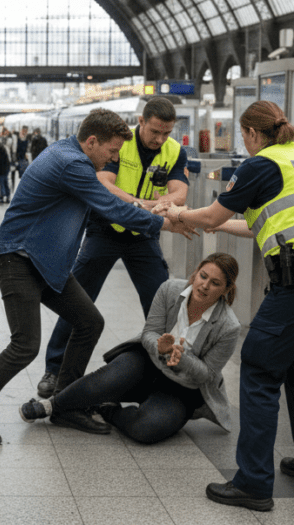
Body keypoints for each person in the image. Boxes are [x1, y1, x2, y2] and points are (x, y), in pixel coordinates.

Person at [156, 100, 294, 512]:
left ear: (251, 133)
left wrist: (178, 213)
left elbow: (211, 217)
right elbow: (256, 224)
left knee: (260, 369)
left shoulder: (260, 164)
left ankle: (252, 483)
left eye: (243, 135)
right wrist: (202, 221)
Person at [0, 109, 196, 445]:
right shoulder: (72, 163)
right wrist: (166, 223)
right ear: (92, 141)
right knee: (25, 345)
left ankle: (65, 405)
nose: (115, 158)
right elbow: (111, 207)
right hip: (18, 261)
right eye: (112, 151)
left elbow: (111, 204)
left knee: (89, 322)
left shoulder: (71, 155)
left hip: (45, 263)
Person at [38, 96, 189, 398]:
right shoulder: (120, 144)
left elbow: (180, 192)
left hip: (143, 236)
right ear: (141, 122)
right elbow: (104, 184)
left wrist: (154, 206)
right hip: (105, 230)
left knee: (161, 301)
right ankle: (54, 370)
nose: (160, 139)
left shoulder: (174, 151)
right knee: (78, 298)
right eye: (155, 131)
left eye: (166, 133)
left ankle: (166, 370)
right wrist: (145, 205)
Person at [21, 253, 241, 444]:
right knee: (108, 378)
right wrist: (160, 347)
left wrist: (181, 358)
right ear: (196, 273)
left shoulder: (229, 326)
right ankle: (50, 406)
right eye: (203, 276)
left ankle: (108, 409)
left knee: (146, 429)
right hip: (148, 362)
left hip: (183, 386)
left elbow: (207, 374)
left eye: (215, 283)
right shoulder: (170, 289)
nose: (204, 285)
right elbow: (150, 332)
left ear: (226, 289)